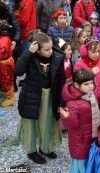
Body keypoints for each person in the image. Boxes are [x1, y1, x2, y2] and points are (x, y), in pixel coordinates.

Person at [15, 31, 65, 164]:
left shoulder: (57, 58)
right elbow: (18, 71)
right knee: (31, 123)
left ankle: (45, 148)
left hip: (50, 96)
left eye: (51, 48)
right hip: (32, 96)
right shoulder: (31, 57)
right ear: (37, 49)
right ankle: (32, 151)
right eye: (46, 49)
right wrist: (28, 52)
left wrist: (61, 101)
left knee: (47, 122)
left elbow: (61, 81)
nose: (50, 51)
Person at [59, 68, 100, 173]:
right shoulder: (72, 103)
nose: (91, 86)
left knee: (90, 160)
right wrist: (67, 117)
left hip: (92, 136)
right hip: (80, 139)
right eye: (86, 84)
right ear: (76, 85)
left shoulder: (90, 95)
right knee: (80, 164)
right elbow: (72, 125)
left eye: (92, 83)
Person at [0, 19, 15, 107]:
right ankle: (6, 95)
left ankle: (10, 98)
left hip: (4, 65)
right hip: (5, 63)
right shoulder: (5, 38)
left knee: (6, 80)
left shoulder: (3, 40)